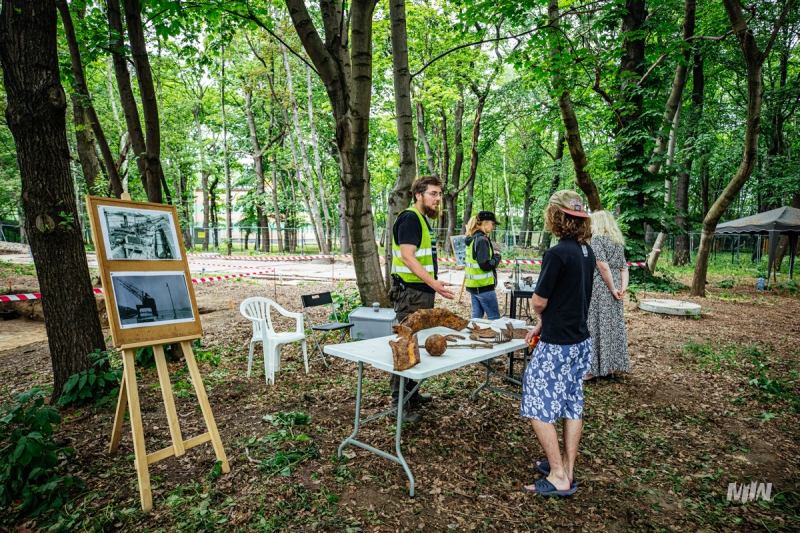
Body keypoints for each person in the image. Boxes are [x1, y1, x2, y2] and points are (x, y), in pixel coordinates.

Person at [521, 190, 595, 497]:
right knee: (570, 403)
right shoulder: (586, 251)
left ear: (555, 216)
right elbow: (571, 297)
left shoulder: (557, 253)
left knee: (537, 404)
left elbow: (540, 301)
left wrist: (537, 313)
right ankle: (567, 467)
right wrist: (543, 323)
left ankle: (558, 476)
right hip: (579, 339)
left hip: (558, 345)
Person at [390, 176, 455, 424]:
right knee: (405, 345)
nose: (438, 199)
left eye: (439, 194)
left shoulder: (421, 220)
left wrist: (431, 286)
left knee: (414, 343)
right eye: (433, 194)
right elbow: (407, 257)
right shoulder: (409, 218)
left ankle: (411, 393)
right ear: (418, 194)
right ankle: (398, 404)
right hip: (411, 294)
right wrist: (433, 282)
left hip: (419, 293)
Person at [585, 210, 630, 381]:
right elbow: (623, 268)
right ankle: (609, 368)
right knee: (612, 326)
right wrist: (622, 288)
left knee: (595, 326)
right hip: (616, 288)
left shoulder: (597, 239)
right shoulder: (617, 241)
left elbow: (603, 267)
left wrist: (612, 288)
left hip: (600, 289)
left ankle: (592, 370)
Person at [464, 211, 502, 320]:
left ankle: (473, 336)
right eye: (493, 224)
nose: (493, 227)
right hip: (484, 287)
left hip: (473, 286)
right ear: (484, 223)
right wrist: (496, 258)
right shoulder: (481, 240)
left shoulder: (471, 238)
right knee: (495, 319)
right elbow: (485, 265)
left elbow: (477, 258)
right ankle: (496, 337)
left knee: (476, 318)